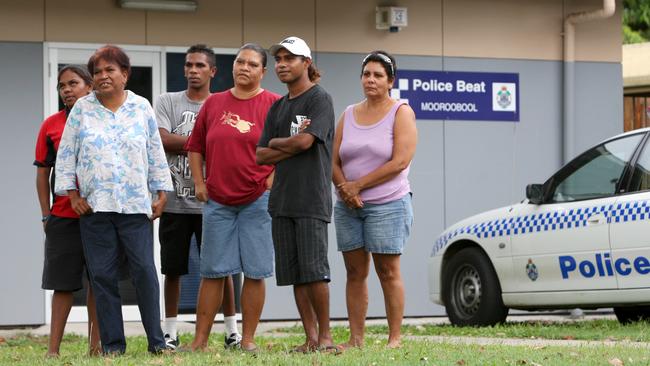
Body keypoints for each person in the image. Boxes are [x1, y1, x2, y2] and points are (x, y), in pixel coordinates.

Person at [54, 45, 173, 355]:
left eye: (110, 70)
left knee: (145, 272)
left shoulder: (142, 107)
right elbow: (66, 155)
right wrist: (73, 194)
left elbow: (154, 151)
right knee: (103, 277)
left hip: (136, 208)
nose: (103, 76)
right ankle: (113, 347)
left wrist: (162, 192)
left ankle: (157, 343)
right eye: (97, 72)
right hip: (96, 209)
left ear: (125, 74)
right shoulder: (82, 109)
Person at [185, 43, 280, 352]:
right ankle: (200, 341)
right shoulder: (214, 104)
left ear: (263, 72)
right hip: (218, 201)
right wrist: (199, 182)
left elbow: (287, 149)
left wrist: (272, 178)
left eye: (252, 64)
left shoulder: (274, 104)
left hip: (257, 199)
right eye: (240, 62)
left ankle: (248, 339)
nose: (244, 68)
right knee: (212, 270)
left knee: (254, 270)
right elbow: (196, 146)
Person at [155, 44, 241, 350]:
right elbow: (162, 139)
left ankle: (232, 330)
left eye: (200, 66)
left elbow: (230, 143)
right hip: (174, 200)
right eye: (189, 65)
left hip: (214, 201)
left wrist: (191, 144)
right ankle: (170, 331)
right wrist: (206, 143)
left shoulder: (222, 104)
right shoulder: (167, 101)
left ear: (212, 71)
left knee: (223, 268)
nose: (193, 70)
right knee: (173, 268)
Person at [332, 51, 417, 349]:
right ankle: (356, 339)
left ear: (390, 80)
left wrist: (358, 186)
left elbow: (400, 161)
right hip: (348, 206)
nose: (370, 79)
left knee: (387, 271)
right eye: (366, 74)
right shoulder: (348, 113)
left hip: (388, 204)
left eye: (378, 75)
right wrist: (345, 188)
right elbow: (333, 159)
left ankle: (395, 338)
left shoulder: (401, 112)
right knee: (355, 272)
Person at [256, 36, 336, 353]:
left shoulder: (320, 100)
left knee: (315, 271)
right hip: (282, 201)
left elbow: (306, 143)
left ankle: (327, 338)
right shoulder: (278, 106)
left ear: (306, 63)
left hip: (310, 199)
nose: (282, 64)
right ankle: (310, 338)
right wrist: (280, 146)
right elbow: (261, 155)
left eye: (290, 58)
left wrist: (278, 145)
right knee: (296, 275)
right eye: (278, 59)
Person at [34, 65, 101, 357]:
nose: (67, 90)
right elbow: (42, 174)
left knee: (98, 282)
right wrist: (46, 214)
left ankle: (95, 348)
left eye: (73, 83)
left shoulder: (103, 121)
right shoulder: (50, 125)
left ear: (89, 86)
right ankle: (53, 350)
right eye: (62, 86)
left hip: (101, 216)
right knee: (62, 285)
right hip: (62, 217)